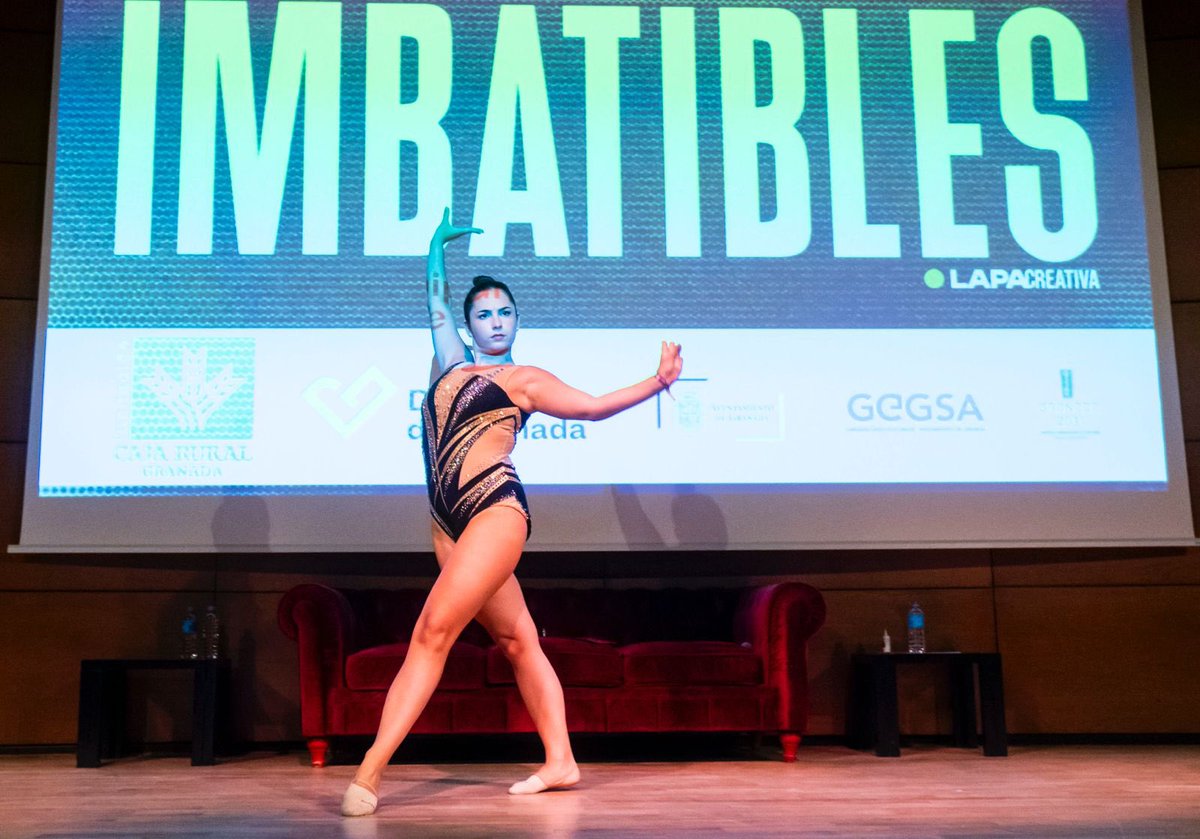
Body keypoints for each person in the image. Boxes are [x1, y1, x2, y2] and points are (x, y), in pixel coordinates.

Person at [341, 210, 683, 816]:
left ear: (517, 320)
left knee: (432, 633)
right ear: (469, 325)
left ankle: (368, 775)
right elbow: (436, 303)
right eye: (484, 314)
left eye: (505, 312)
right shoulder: (450, 364)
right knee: (519, 640)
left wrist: (657, 382)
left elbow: (593, 407)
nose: (495, 321)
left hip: (494, 511)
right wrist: (435, 248)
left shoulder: (524, 379)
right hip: (446, 523)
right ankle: (561, 761)